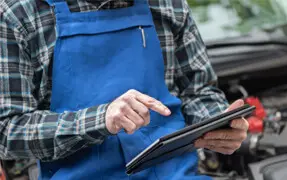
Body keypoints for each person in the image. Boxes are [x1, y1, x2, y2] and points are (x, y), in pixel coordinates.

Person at [0, 0, 249, 179]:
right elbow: (8, 130)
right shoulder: (19, 13)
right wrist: (102, 119)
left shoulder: (168, 6)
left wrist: (219, 123)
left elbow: (198, 92)